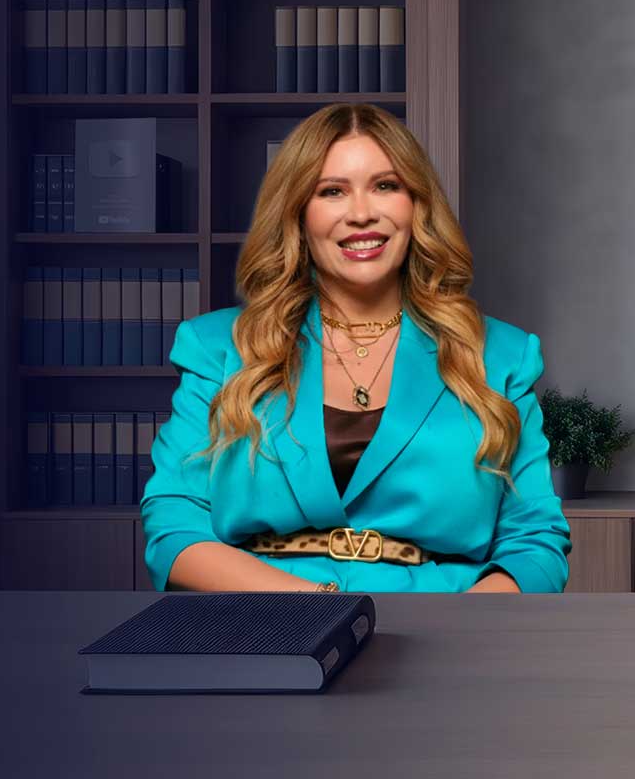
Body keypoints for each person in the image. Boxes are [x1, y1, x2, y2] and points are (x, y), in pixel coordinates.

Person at [142, 103, 572, 593]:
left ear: (417, 205)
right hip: (260, 626)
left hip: (444, 635)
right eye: (332, 192)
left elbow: (536, 542)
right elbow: (175, 527)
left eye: (386, 186)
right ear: (299, 214)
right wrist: (326, 614)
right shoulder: (217, 347)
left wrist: (463, 634)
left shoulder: (501, 355)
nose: (362, 213)